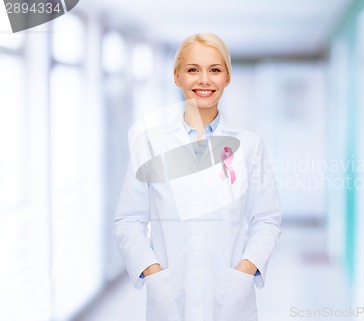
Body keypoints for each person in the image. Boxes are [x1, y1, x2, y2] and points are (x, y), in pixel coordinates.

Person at [114, 33, 283, 321]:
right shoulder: (150, 143)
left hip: (231, 299)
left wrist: (245, 269)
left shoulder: (250, 145)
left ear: (227, 78)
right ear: (177, 77)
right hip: (169, 296)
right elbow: (129, 220)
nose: (204, 80)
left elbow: (266, 218)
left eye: (215, 70)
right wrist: (153, 272)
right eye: (193, 70)